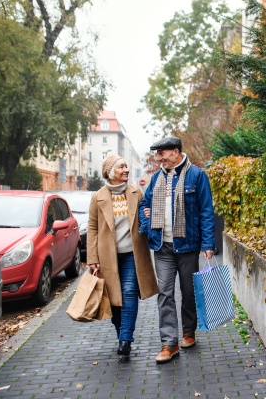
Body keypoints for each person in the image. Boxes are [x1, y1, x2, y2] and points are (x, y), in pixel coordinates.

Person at [138, 137, 215, 363]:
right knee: (165, 293)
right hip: (162, 246)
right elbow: (144, 204)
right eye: (157, 154)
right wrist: (146, 219)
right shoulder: (156, 178)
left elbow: (206, 211)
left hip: (188, 245)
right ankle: (169, 343)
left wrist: (208, 244)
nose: (159, 158)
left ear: (175, 151)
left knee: (188, 292)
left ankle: (189, 331)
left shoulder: (197, 176)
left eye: (162, 153)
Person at [87, 154, 158, 356]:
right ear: (111, 172)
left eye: (127, 166)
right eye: (121, 167)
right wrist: (92, 258)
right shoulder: (98, 197)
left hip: (132, 254)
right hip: (107, 256)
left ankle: (126, 339)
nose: (126, 170)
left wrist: (148, 216)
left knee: (128, 293)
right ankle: (121, 334)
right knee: (114, 298)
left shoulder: (136, 192)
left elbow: (146, 214)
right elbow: (92, 228)